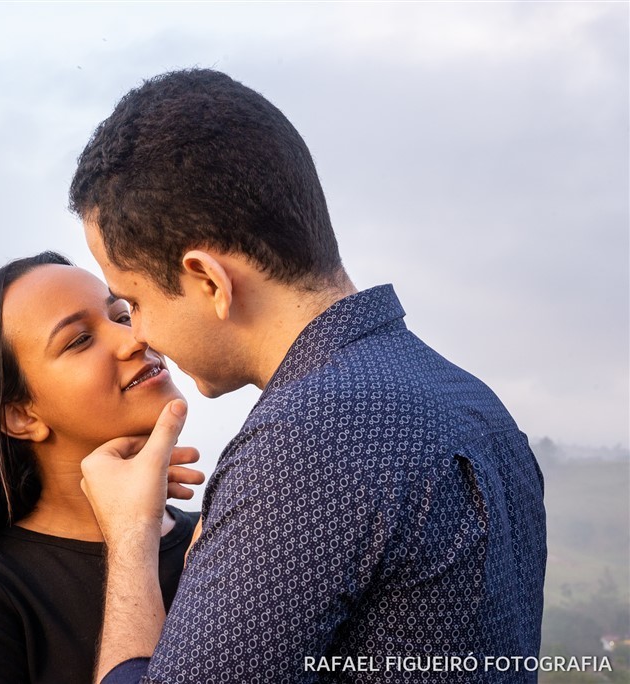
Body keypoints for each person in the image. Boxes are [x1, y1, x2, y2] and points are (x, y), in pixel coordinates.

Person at [70, 69, 547, 683]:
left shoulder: (309, 441)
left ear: (209, 280)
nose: (137, 335)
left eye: (133, 301)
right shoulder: (473, 402)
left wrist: (131, 542)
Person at [0, 251, 204, 684]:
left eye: (123, 315)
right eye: (80, 340)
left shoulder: (222, 536)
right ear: (20, 416)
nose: (134, 338)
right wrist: (130, 542)